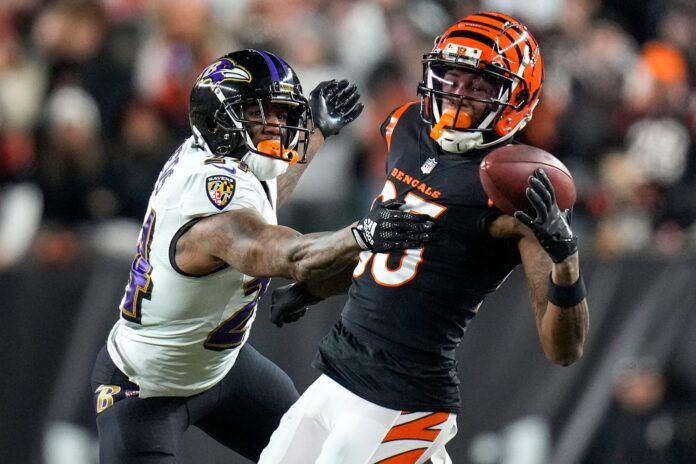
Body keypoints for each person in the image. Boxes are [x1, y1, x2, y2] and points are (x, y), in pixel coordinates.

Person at [260, 12, 590, 464]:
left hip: (405, 398)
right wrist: (313, 288)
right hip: (339, 370)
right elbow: (395, 246)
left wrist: (566, 262)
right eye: (451, 79)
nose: (458, 95)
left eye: (478, 86)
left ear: (518, 98)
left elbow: (564, 348)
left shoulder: (517, 190)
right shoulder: (408, 126)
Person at [90, 49, 434, 463]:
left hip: (226, 369)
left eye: (281, 114)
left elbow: (263, 203)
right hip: (143, 391)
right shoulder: (209, 200)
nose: (277, 127)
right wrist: (361, 234)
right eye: (259, 114)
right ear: (220, 119)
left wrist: (318, 131)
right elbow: (285, 253)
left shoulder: (230, 161)